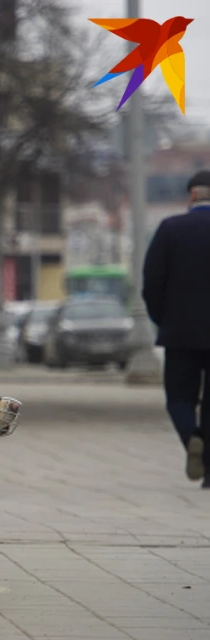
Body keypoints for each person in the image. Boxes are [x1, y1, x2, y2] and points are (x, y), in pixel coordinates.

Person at [143, 170, 210, 487]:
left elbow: (152, 283)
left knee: (180, 398)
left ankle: (192, 437)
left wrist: (163, 319)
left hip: (180, 332)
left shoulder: (171, 229)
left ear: (193, 195)